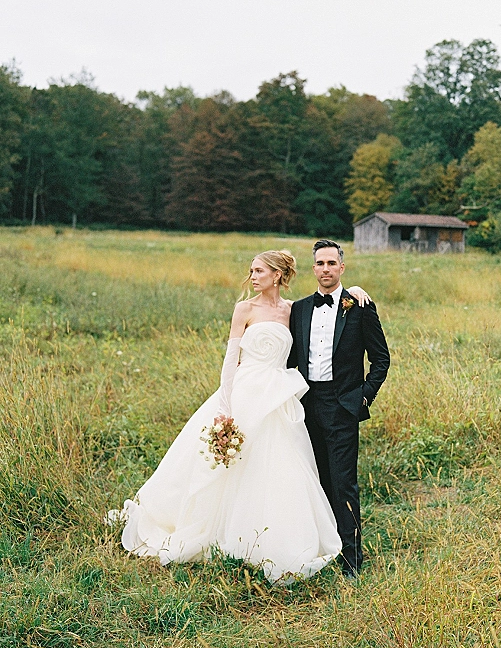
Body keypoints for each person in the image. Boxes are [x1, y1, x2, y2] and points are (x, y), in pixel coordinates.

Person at [109, 250, 370, 583]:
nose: (253, 276)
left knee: (277, 467)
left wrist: (356, 292)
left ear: (277, 275)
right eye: (251, 271)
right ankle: (215, 530)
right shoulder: (244, 309)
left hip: (277, 398)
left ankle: (274, 536)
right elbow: (230, 360)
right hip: (245, 392)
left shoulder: (295, 310)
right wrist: (225, 406)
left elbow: (331, 306)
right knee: (229, 465)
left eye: (259, 270)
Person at [288, 239, 390, 578]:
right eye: (320, 263)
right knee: (314, 480)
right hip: (306, 404)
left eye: (332, 263)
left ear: (342, 268)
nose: (326, 269)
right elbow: (289, 360)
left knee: (344, 481)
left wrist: (363, 397)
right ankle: (321, 547)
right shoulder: (300, 309)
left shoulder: (359, 306)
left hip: (343, 404)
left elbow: (381, 359)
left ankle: (352, 558)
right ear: (313, 268)